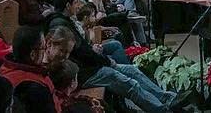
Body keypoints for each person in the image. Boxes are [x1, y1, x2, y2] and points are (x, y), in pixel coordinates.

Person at [45, 25, 176, 113]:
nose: (65, 56)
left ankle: (167, 98)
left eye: (68, 52)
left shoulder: (59, 57)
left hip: (86, 71)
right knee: (129, 83)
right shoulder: (45, 64)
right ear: (49, 43)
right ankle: (162, 109)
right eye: (62, 51)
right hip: (83, 77)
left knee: (132, 70)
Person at [0, 25, 59, 113]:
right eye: (43, 48)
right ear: (33, 54)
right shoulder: (34, 89)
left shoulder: (4, 68)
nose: (45, 51)